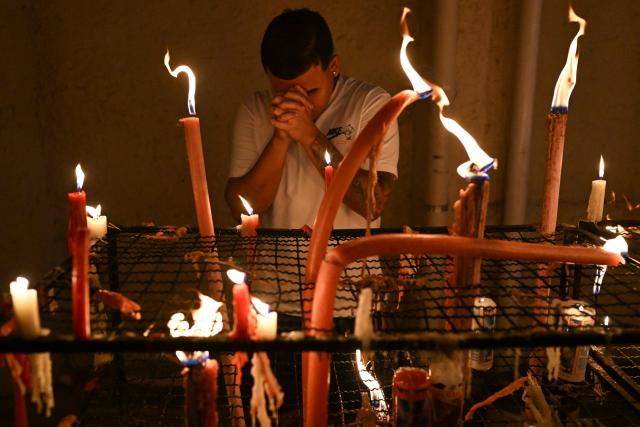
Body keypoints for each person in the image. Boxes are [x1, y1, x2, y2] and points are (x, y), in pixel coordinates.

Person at [225, 8, 399, 229]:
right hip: (274, 263)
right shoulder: (255, 109)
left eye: (310, 92)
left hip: (350, 263)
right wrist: (280, 139)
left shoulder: (371, 104)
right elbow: (241, 210)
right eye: (283, 93)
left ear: (333, 66)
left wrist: (308, 134)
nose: (298, 103)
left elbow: (372, 205)